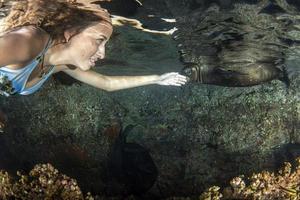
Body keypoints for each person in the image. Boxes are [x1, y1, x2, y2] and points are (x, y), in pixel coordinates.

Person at [0, 0, 188, 97]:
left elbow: (107, 83)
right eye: (99, 40)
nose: (103, 53)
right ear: (71, 31)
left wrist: (157, 79)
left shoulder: (59, 66)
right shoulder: (30, 41)